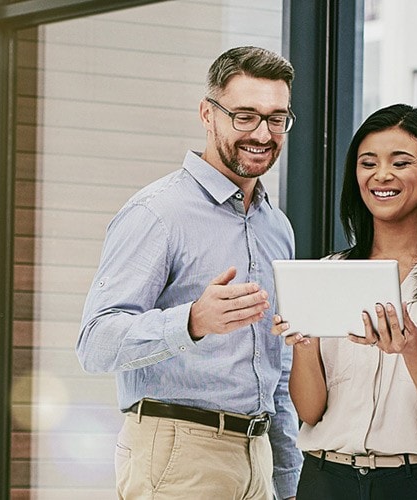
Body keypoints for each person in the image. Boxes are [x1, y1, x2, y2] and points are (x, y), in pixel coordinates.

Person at [76, 46, 302, 500]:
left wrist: (288, 477)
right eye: (245, 115)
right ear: (207, 113)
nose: (262, 133)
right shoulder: (157, 213)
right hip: (179, 453)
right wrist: (192, 321)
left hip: (256, 457)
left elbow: (276, 372)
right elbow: (94, 343)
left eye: (276, 118)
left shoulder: (276, 226)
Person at [272, 103, 417, 500]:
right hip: (326, 479)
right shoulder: (328, 272)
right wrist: (305, 346)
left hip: (416, 483)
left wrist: (411, 348)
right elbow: (310, 412)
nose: (382, 175)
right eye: (368, 162)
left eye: (400, 162)